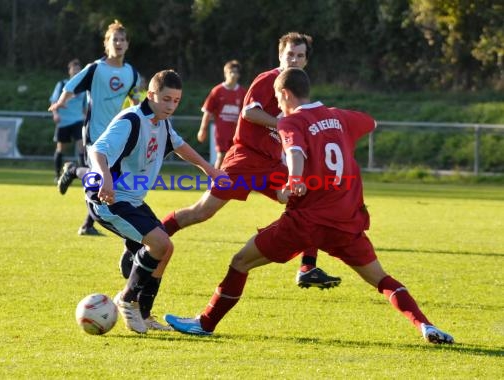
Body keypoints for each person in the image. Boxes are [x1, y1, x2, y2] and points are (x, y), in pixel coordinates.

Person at [164, 68, 455, 345]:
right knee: (381, 279)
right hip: (345, 223)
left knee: (241, 261)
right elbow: (370, 122)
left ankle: (205, 324)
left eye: (278, 100)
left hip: (306, 222)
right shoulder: (339, 117)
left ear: (286, 94)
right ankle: (425, 325)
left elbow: (293, 150)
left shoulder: (290, 121)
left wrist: (294, 178)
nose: (277, 107)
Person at [153, 32, 340, 289]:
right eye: (290, 55)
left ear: (306, 61)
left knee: (309, 200)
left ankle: (307, 267)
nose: (294, 60)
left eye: (300, 56)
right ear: (280, 55)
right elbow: (250, 112)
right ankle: (151, 239)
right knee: (201, 212)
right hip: (244, 159)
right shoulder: (269, 79)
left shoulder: (298, 87)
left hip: (271, 164)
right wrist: (284, 124)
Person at [87, 70, 230, 334]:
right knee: (159, 243)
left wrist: (210, 170)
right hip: (109, 199)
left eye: (176, 101)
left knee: (166, 249)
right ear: (151, 95)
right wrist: (105, 177)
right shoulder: (131, 120)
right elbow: (97, 150)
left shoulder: (161, 122)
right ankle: (126, 299)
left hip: (131, 199)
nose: (171, 106)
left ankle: (144, 313)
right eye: (166, 99)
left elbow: (179, 145)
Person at [49, 20, 141, 236]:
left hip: (117, 134)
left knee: (111, 182)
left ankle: (87, 224)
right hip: (95, 133)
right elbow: (71, 85)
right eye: (114, 39)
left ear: (127, 44)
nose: (118, 43)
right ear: (107, 44)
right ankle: (73, 170)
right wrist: (61, 101)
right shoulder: (96, 69)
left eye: (122, 40)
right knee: (99, 177)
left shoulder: (131, 73)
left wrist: (141, 117)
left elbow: (135, 99)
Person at [197, 60, 247, 169]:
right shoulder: (217, 91)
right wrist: (202, 129)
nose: (233, 74)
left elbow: (246, 113)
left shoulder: (243, 92)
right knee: (221, 156)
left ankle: (230, 182)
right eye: (231, 72)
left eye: (236, 72)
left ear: (239, 75)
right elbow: (207, 111)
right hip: (222, 131)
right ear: (226, 73)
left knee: (236, 158)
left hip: (237, 132)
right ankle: (213, 182)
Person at [49, 59, 87, 182]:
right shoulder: (62, 85)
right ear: (69, 71)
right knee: (61, 148)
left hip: (78, 120)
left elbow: (85, 107)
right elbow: (54, 101)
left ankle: (85, 176)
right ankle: (57, 174)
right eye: (74, 70)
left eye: (78, 71)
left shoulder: (83, 88)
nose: (76, 72)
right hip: (64, 121)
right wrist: (55, 114)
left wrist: (87, 120)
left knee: (82, 147)